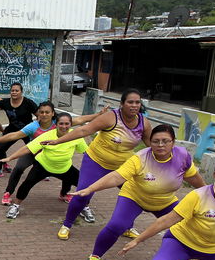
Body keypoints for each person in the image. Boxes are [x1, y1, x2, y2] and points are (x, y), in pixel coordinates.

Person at [71, 124, 207, 260]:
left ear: (173, 142)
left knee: (187, 227)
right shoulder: (140, 158)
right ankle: (95, 257)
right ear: (150, 141)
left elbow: (193, 177)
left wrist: (208, 194)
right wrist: (91, 188)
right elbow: (117, 176)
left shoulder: (182, 156)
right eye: (156, 141)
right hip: (134, 198)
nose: (160, 145)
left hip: (165, 201)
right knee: (117, 225)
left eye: (165, 141)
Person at [42, 88, 152, 240]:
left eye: (137, 102)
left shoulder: (143, 123)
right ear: (122, 104)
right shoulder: (111, 117)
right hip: (96, 161)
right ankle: (66, 225)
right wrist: (57, 141)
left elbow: (153, 145)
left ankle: (127, 226)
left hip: (122, 166)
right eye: (130, 102)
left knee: (133, 195)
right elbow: (83, 130)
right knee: (83, 194)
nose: (134, 105)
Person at [0, 103, 107, 205]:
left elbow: (82, 120)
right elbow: (15, 135)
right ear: (38, 114)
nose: (44, 114)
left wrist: (99, 115)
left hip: (54, 155)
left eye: (47, 112)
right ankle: (8, 192)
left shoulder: (61, 123)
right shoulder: (34, 126)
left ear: (53, 114)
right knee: (19, 168)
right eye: (41, 112)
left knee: (67, 170)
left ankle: (64, 194)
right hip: (35, 152)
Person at [0, 113, 87, 219]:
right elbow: (28, 148)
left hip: (64, 168)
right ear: (56, 124)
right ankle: (16, 205)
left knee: (85, 185)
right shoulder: (47, 136)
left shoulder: (76, 136)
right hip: (42, 166)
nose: (64, 126)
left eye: (67, 124)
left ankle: (84, 207)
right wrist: (10, 158)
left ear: (71, 124)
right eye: (61, 123)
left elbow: (87, 152)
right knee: (26, 184)